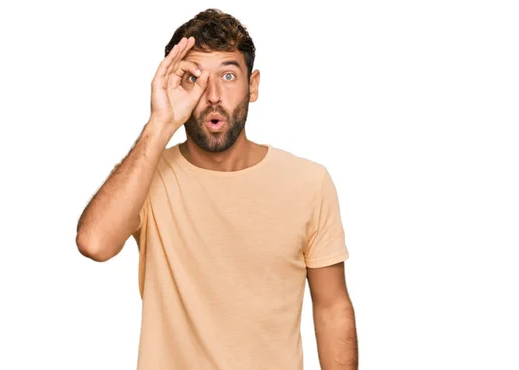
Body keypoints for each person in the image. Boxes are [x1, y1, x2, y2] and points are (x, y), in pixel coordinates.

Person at [76, 8, 358, 370]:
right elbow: (94, 244)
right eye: (193, 78)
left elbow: (332, 305)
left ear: (252, 86)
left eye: (228, 75)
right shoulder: (144, 175)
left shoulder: (308, 182)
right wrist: (160, 122)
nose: (212, 95)